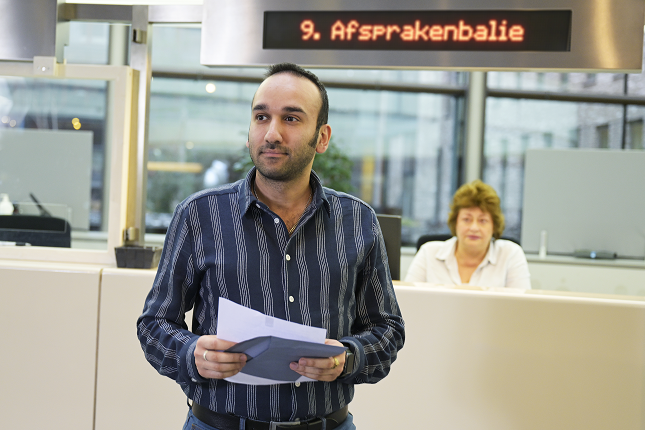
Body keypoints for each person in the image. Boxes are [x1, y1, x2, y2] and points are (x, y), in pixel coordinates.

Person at [137, 62, 405, 430]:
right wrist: (191, 353)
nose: (272, 133)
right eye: (261, 117)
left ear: (322, 137)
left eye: (291, 119)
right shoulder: (199, 214)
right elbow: (154, 324)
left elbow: (388, 329)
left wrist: (349, 357)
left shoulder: (358, 221)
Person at [405, 179, 531, 289]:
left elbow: (522, 310)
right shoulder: (428, 253)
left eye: (483, 220)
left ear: (494, 225)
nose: (474, 228)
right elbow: (406, 303)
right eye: (467, 219)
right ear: (455, 223)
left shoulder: (511, 255)